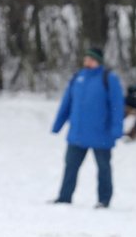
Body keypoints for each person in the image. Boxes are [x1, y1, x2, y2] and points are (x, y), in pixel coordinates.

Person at [51, 47, 125, 208]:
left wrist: (116, 129)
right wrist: (58, 124)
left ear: (98, 61)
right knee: (70, 165)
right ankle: (64, 197)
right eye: (86, 59)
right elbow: (67, 103)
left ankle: (104, 199)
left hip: (101, 133)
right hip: (78, 132)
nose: (87, 62)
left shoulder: (108, 78)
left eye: (91, 59)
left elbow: (117, 105)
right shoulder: (77, 78)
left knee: (103, 168)